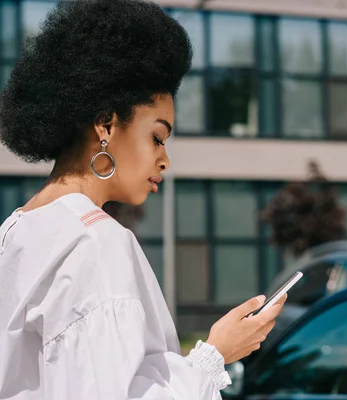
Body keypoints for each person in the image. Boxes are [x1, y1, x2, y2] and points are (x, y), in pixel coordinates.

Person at [0, 0, 286, 399]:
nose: (164, 159)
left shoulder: (15, 232)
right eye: (157, 136)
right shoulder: (95, 243)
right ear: (105, 124)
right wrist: (216, 354)